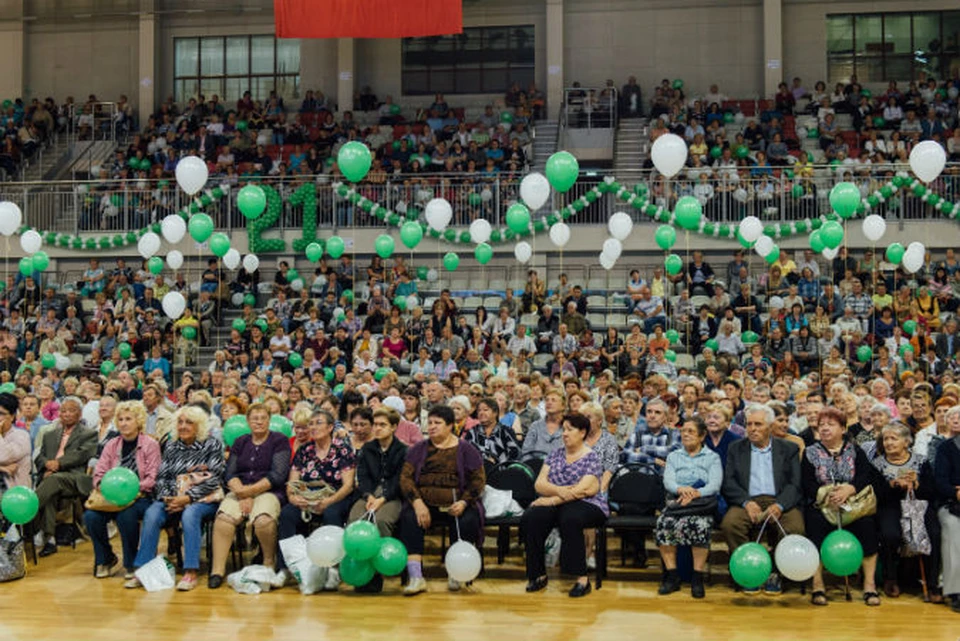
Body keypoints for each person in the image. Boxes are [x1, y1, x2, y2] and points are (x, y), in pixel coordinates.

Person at [127, 405, 225, 591]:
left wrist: (187, 498)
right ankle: (143, 569)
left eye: (189, 422)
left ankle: (190, 571)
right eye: (180, 422)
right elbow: (162, 477)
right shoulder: (171, 446)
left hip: (204, 500)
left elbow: (215, 479)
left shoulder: (212, 444)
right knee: (152, 512)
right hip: (173, 500)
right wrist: (170, 499)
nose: (183, 426)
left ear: (199, 426)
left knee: (190, 514)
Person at [398, 405, 486, 595]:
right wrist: (417, 502)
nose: (432, 427)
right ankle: (416, 577)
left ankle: (456, 573)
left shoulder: (466, 449)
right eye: (429, 423)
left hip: (457, 502)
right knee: (408, 518)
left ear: (450, 426)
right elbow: (405, 478)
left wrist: (463, 502)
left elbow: (478, 480)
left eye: (437, 423)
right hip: (424, 503)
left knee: (468, 520)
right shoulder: (418, 449)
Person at [719, 404, 804, 595]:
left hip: (780, 500)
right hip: (748, 500)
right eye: (749, 424)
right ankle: (750, 570)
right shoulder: (736, 448)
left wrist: (780, 505)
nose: (752, 429)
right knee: (730, 524)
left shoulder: (788, 449)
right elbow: (729, 482)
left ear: (770, 426)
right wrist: (746, 502)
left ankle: (775, 571)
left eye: (758, 424)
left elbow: (795, 483)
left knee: (795, 528)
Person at [802, 407, 883, 606]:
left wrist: (850, 489)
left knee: (867, 527)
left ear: (843, 428)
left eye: (831, 424)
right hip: (822, 505)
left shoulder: (855, 450)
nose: (825, 429)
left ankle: (869, 586)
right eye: (821, 425)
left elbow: (866, 476)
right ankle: (818, 585)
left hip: (852, 505)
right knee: (814, 525)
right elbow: (806, 483)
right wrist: (825, 495)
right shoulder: (810, 452)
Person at [521, 414, 608, 597]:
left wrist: (552, 498)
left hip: (589, 504)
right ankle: (538, 574)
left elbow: (584, 490)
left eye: (570, 429)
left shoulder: (591, 457)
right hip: (562, 501)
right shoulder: (555, 454)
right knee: (533, 516)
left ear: (582, 432)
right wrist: (561, 491)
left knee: (571, 518)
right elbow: (539, 484)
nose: (565, 434)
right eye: (564, 429)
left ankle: (582, 580)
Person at [208, 403, 291, 589]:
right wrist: (241, 493)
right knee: (223, 518)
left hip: (269, 491)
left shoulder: (279, 440)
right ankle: (217, 570)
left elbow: (278, 475)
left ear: (269, 420)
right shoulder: (240, 442)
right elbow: (229, 474)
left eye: (263, 418)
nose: (259, 422)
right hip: (239, 490)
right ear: (248, 421)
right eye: (255, 418)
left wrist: (249, 492)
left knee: (263, 520)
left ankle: (268, 562)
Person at [277, 408, 356, 589]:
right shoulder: (305, 450)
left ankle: (331, 570)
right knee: (287, 514)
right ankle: (286, 568)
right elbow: (293, 481)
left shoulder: (342, 449)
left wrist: (328, 501)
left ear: (330, 427)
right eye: (311, 423)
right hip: (307, 497)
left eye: (318, 423)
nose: (313, 427)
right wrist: (292, 497)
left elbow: (348, 485)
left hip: (335, 497)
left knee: (332, 514)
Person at [83, 401, 161, 580]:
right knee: (91, 516)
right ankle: (105, 558)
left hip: (140, 495)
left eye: (128, 419)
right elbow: (99, 473)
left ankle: (131, 563)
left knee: (127, 515)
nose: (124, 423)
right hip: (111, 496)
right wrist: (104, 486)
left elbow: (151, 478)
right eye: (121, 419)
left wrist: (129, 489)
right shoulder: (111, 444)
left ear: (138, 421)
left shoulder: (150, 444)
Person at [872, 422, 941, 601]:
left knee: (933, 532)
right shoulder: (877, 464)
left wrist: (916, 484)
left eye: (894, 438)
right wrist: (893, 485)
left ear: (906, 442)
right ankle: (890, 578)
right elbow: (877, 494)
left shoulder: (921, 461)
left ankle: (932, 584)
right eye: (886, 439)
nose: (888, 443)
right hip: (891, 506)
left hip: (919, 504)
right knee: (890, 534)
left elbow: (931, 491)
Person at [656, 417, 723, 599]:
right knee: (664, 523)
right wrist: (681, 490)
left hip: (701, 502)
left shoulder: (712, 457)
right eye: (683, 431)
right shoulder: (673, 456)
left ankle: (697, 578)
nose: (685, 434)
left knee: (699, 525)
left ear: (702, 436)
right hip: (677, 501)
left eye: (691, 431)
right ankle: (672, 576)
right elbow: (668, 481)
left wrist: (694, 493)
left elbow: (714, 485)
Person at [345, 406, 408, 593]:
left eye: (383, 425)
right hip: (369, 494)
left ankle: (378, 572)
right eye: (376, 425)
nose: (378, 428)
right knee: (356, 521)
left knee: (381, 521)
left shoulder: (403, 450)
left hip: (392, 496)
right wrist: (369, 495)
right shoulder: (368, 448)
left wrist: (383, 498)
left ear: (394, 427)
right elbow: (362, 476)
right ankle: (362, 574)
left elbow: (400, 480)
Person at [34, 396, 97, 557]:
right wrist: (47, 464)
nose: (67, 414)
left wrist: (57, 464)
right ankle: (50, 540)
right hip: (52, 478)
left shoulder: (88, 434)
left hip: (74, 478)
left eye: (71, 411)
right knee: (50, 491)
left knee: (52, 480)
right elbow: (39, 456)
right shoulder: (50, 435)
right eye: (63, 411)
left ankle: (26, 517)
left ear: (80, 414)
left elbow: (81, 455)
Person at [934, 420, 960, 613]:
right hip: (952, 504)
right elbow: (941, 482)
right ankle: (955, 592)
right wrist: (956, 492)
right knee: (953, 531)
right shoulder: (946, 448)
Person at [463, 397, 521, 467]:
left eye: (485, 410)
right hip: (477, 470)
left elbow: (514, 452)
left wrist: (497, 461)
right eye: (479, 410)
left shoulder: (506, 431)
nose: (481, 413)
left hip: (502, 470)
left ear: (495, 413)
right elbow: (465, 451)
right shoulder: (472, 432)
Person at [0, 393, 31, 489]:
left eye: (1, 414)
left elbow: (3, 456)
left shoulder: (21, 436)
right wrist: (3, 468)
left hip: (13, 491)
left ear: (12, 416)